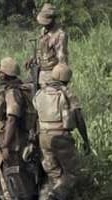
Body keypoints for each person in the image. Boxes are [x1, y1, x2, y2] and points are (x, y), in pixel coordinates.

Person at [33, 64, 91, 200]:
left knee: (55, 175)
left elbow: (34, 116)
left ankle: (49, 196)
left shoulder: (40, 93)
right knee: (72, 173)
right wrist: (86, 140)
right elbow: (79, 119)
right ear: (67, 78)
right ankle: (56, 195)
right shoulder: (67, 93)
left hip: (43, 138)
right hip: (61, 137)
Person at [0, 57, 37, 200]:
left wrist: (5, 146)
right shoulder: (13, 90)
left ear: (5, 74)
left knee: (15, 184)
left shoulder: (12, 93)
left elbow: (12, 119)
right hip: (12, 143)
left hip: (13, 145)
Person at [27, 3, 68, 88]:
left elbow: (62, 59)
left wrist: (60, 81)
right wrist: (33, 58)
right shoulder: (43, 31)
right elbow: (41, 49)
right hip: (40, 73)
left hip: (52, 76)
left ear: (53, 19)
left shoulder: (60, 35)